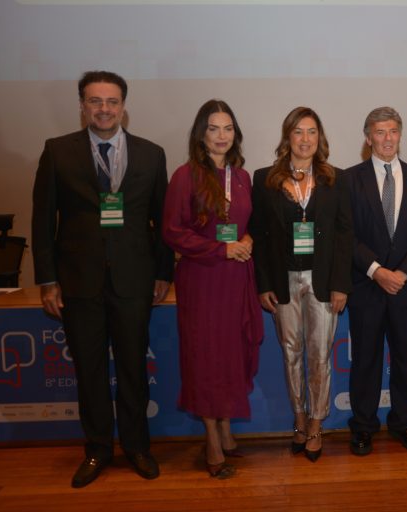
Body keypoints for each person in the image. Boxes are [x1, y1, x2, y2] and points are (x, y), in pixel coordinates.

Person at [32, 71, 174, 487]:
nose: (104, 109)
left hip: (134, 281)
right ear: (82, 106)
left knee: (133, 369)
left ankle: (137, 447)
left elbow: (163, 221)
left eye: (112, 101)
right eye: (95, 101)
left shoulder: (151, 154)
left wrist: (163, 272)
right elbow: (43, 220)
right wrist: (47, 280)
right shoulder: (57, 151)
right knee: (90, 372)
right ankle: (97, 449)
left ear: (123, 107)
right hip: (79, 283)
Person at [162, 100, 263, 479]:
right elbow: (173, 231)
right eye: (213, 128)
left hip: (237, 278)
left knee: (231, 355)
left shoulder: (243, 177)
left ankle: (225, 428)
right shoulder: (185, 176)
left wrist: (247, 239)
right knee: (205, 358)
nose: (222, 136)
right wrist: (222, 249)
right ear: (200, 134)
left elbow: (248, 223)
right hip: (203, 280)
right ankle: (212, 441)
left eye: (228, 128)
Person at [249, 106, 353, 462]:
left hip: (323, 282)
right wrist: (263, 283)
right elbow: (260, 236)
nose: (305, 139)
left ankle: (316, 424)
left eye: (311, 132)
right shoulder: (265, 179)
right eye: (298, 132)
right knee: (290, 352)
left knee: (320, 355)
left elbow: (344, 234)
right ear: (287, 137)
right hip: (283, 281)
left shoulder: (336, 179)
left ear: (319, 138)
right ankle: (298, 417)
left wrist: (341, 284)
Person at [346, 107, 407, 456]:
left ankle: (404, 423)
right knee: (365, 362)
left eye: (393, 131)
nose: (387, 138)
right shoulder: (349, 180)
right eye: (380, 132)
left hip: (406, 288)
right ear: (368, 137)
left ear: (400, 134)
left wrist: (402, 273)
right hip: (367, 287)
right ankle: (363, 426)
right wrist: (377, 271)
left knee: (406, 361)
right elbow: (346, 235)